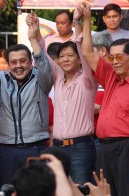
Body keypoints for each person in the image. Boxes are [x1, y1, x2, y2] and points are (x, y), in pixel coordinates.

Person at [80, 2, 129, 195]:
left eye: (119, 58)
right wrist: (87, 19)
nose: (114, 62)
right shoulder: (111, 77)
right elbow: (88, 52)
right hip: (104, 148)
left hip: (128, 148)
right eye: (111, 58)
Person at [27, 11, 98, 184]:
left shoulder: (87, 79)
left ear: (79, 59)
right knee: (59, 190)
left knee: (80, 190)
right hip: (58, 147)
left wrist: (78, 20)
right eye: (62, 56)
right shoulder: (58, 78)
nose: (65, 59)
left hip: (81, 147)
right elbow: (43, 49)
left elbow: (84, 50)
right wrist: (34, 30)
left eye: (70, 55)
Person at [0, 20, 52, 185]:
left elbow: (44, 66)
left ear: (30, 62)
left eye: (23, 61)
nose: (18, 66)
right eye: (13, 62)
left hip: (36, 147)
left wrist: (32, 40)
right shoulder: (1, 79)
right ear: (7, 65)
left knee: (38, 192)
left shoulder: (40, 79)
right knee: (9, 190)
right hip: (7, 149)